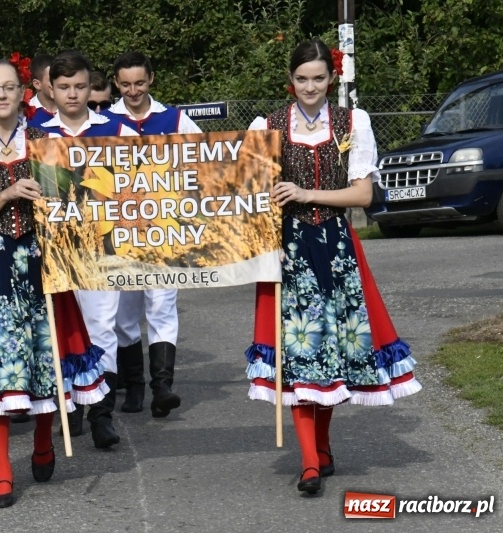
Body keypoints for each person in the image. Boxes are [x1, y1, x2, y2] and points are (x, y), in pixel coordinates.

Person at [244, 39, 422, 495]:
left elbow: (363, 195)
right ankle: (309, 461)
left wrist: (306, 194)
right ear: (291, 79)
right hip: (289, 248)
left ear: (331, 78)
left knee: (333, 350)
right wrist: (267, 235)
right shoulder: (267, 126)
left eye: (318, 78)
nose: (310, 87)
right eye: (302, 78)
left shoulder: (352, 121)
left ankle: (322, 447)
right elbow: (249, 194)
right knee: (302, 351)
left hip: (337, 245)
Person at [0, 57, 108, 508]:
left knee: (44, 358)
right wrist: (7, 193)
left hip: (41, 262)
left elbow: (82, 203)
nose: (1, 94)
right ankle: (2, 472)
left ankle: (41, 439)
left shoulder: (48, 142)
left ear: (24, 94)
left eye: (9, 87)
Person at [36, 50, 137, 448]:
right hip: (54, 249)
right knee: (61, 327)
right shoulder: (36, 133)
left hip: (103, 246)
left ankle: (101, 413)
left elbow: (144, 179)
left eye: (79, 86)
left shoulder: (116, 129)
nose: (73, 94)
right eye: (64, 87)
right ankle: (70, 405)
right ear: (51, 89)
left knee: (101, 326)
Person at [104, 51, 202, 418]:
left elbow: (207, 159)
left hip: (164, 229)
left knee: (161, 305)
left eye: (140, 83)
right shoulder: (106, 122)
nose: (133, 91)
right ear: (116, 83)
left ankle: (162, 387)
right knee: (123, 314)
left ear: (151, 80)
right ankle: (133, 385)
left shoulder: (174, 119)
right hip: (121, 232)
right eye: (125, 84)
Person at [27, 53, 56, 126]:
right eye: (51, 80)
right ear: (37, 84)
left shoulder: (72, 108)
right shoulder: (25, 114)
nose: (58, 83)